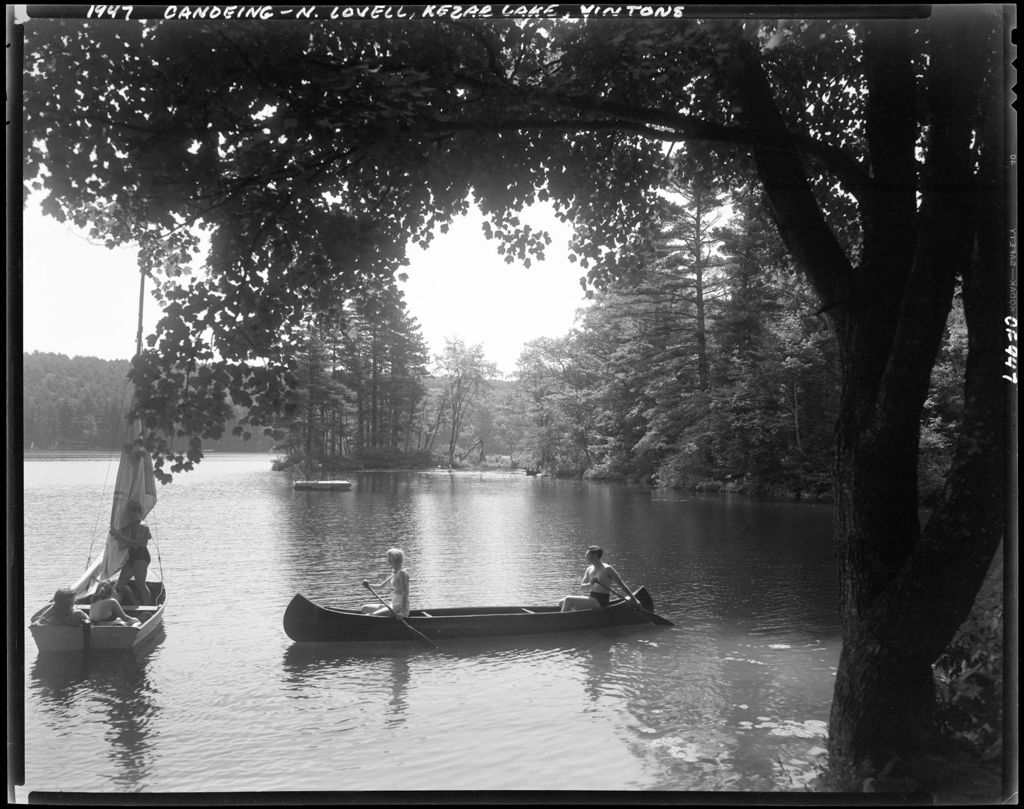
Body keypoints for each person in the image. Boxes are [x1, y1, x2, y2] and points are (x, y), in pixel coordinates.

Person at [560, 545, 632, 612]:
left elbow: (622, 585)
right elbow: (582, 587)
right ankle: (575, 618)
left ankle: (561, 621)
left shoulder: (607, 569)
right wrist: (591, 583)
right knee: (561, 602)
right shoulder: (589, 569)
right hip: (592, 598)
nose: (585, 556)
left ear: (595, 556)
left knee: (568, 600)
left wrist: (635, 599)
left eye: (587, 554)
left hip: (601, 601)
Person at [110, 499, 152, 606]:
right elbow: (125, 544)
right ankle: (135, 602)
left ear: (139, 512)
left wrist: (119, 535)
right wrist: (116, 537)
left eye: (133, 512)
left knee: (140, 584)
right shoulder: (129, 525)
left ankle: (148, 608)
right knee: (120, 585)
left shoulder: (143, 525)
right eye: (129, 513)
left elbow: (137, 544)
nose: (131, 515)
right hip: (132, 555)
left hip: (141, 555)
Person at [361, 547, 410, 617]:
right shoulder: (394, 573)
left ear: (396, 558)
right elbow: (381, 586)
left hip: (399, 608)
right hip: (392, 605)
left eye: (390, 557)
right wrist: (368, 585)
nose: (387, 559)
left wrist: (402, 612)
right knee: (365, 608)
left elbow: (405, 593)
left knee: (371, 616)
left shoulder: (402, 573)